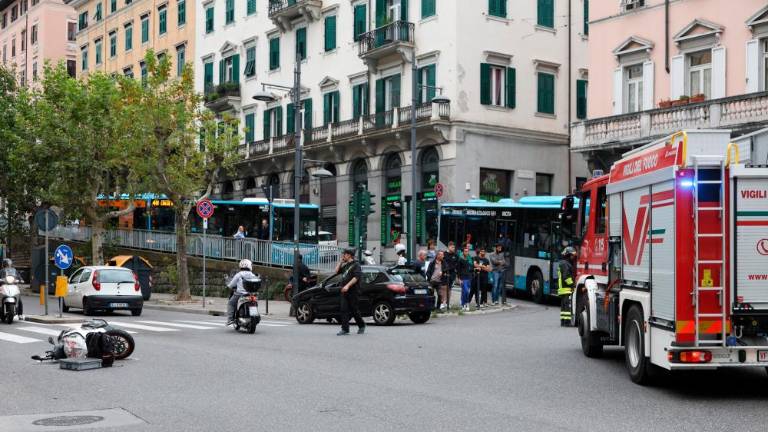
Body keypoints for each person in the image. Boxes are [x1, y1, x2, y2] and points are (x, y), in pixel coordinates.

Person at [336, 248, 366, 336]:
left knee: (354, 310)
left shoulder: (356, 265)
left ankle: (361, 325)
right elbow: (336, 271)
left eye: (344, 254)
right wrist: (341, 262)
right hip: (344, 291)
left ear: (349, 255)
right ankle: (345, 329)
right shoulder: (345, 265)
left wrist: (347, 286)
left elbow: (356, 278)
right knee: (343, 309)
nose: (343, 256)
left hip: (353, 291)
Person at [226, 259, 259, 326]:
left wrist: (229, 286)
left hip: (239, 294)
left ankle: (230, 319)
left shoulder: (239, 274)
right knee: (255, 302)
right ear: (250, 266)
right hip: (251, 294)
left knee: (231, 303)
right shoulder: (252, 275)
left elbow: (231, 285)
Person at [558, 247, 577, 327]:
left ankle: (563, 321)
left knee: (563, 306)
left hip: (563, 289)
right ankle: (567, 322)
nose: (573, 257)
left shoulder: (563, 263)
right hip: (566, 289)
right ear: (568, 255)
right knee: (567, 307)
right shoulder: (565, 264)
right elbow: (566, 277)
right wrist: (572, 284)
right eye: (572, 255)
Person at [442, 241, 460, 309]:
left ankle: (448, 303)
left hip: (452, 274)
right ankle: (443, 302)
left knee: (449, 288)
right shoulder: (444, 254)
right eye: (452, 247)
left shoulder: (455, 255)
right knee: (444, 288)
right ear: (448, 246)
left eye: (454, 247)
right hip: (445, 273)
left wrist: (457, 274)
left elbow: (458, 264)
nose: (453, 249)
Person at [458, 245, 474, 311]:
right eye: (465, 251)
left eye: (467, 251)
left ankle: (464, 304)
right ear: (463, 252)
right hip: (463, 278)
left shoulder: (469, 260)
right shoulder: (460, 260)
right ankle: (466, 303)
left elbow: (472, 268)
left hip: (469, 277)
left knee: (466, 291)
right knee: (466, 291)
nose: (466, 252)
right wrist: (459, 278)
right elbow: (458, 270)